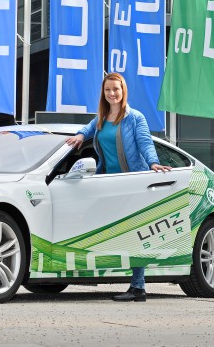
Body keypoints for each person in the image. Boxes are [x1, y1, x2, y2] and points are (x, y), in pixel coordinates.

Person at [66, 72, 171, 302]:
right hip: (109, 183)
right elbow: (89, 129)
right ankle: (124, 280)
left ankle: (138, 287)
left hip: (132, 182)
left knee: (136, 233)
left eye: (116, 89)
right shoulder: (102, 117)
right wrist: (78, 136)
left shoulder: (135, 118)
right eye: (107, 90)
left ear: (123, 91)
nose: (112, 93)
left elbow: (145, 142)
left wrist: (152, 162)